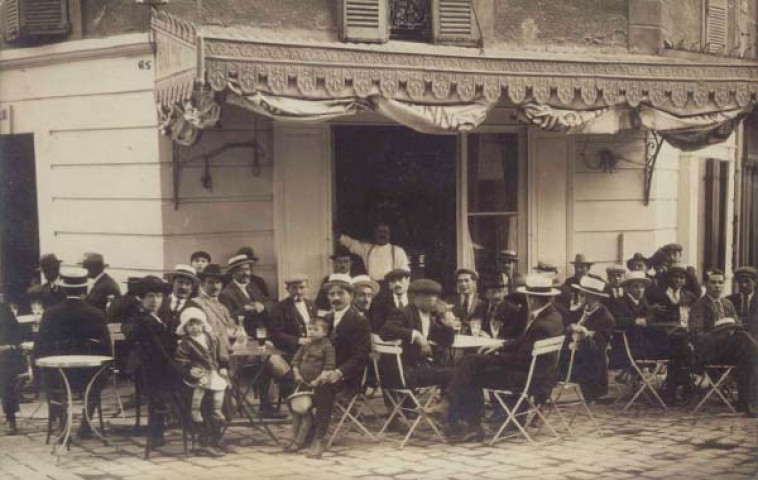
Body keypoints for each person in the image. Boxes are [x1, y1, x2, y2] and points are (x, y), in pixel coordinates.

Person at [426, 275, 565, 442]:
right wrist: (502, 345)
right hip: (540, 374)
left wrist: (496, 357)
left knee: (471, 371)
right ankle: (450, 408)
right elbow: (526, 341)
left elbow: (521, 359)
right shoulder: (554, 317)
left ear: (532, 299)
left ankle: (468, 423)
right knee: (471, 362)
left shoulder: (542, 324)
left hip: (528, 378)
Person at [34, 268, 112, 437]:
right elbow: (107, 349)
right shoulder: (96, 314)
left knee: (50, 380)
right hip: (89, 376)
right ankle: (86, 423)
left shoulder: (50, 314)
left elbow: (39, 348)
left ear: (63, 289)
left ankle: (62, 422)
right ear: (84, 290)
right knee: (97, 380)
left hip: (58, 375)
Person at [307, 273, 370, 459]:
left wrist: (339, 372)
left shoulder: (359, 321)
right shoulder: (326, 318)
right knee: (294, 380)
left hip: (349, 376)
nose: (335, 298)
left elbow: (361, 357)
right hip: (325, 370)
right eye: (331, 294)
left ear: (350, 295)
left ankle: (319, 437)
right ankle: (303, 431)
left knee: (325, 385)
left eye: (340, 293)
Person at [124, 276, 188, 449]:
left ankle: (160, 432)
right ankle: (197, 427)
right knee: (201, 380)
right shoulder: (144, 321)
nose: (156, 300)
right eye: (151, 296)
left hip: (156, 369)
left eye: (159, 296)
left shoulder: (152, 317)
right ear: (141, 298)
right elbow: (161, 351)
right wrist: (182, 369)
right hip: (155, 373)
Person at [689, 269, 758, 417]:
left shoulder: (728, 304)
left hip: (728, 350)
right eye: (713, 282)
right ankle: (748, 403)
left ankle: (745, 403)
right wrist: (718, 334)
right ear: (705, 284)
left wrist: (731, 330)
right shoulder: (699, 306)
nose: (717, 286)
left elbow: (737, 325)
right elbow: (696, 336)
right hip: (709, 352)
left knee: (748, 356)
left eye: (720, 282)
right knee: (747, 343)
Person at [380, 279, 456, 389]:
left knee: (457, 370)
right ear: (415, 297)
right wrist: (415, 335)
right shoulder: (403, 312)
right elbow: (385, 331)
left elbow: (446, 342)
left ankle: (445, 401)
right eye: (428, 295)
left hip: (420, 367)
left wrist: (448, 326)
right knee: (456, 374)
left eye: (435, 295)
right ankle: (447, 402)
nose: (434, 299)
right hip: (403, 373)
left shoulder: (428, 316)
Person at [285, 318, 336, 453]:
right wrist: (296, 374)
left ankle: (299, 441)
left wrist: (317, 380)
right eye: (310, 329)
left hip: (314, 386)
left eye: (315, 329)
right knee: (296, 413)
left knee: (305, 413)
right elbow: (295, 362)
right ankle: (293, 437)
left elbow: (328, 368)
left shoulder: (327, 347)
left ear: (325, 332)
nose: (311, 332)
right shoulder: (306, 345)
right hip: (301, 384)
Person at [564, 276, 615, 402]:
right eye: (582, 295)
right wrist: (570, 328)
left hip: (589, 359)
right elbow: (566, 326)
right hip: (572, 351)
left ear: (596, 298)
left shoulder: (605, 318)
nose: (583, 299)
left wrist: (585, 335)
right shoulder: (580, 310)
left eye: (586, 296)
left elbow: (598, 349)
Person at [175, 307, 229, 426]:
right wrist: (189, 368)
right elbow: (181, 359)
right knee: (199, 390)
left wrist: (223, 365)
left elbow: (222, 352)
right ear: (185, 328)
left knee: (220, 388)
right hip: (199, 370)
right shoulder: (185, 343)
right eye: (190, 325)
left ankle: (216, 410)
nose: (194, 327)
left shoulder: (212, 338)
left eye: (197, 324)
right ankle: (195, 411)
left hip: (214, 370)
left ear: (203, 324)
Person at [194, 264, 241, 355]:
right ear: (203, 284)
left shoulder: (222, 306)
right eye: (210, 282)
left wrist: (239, 331)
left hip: (231, 349)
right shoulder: (197, 303)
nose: (215, 287)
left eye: (217, 283)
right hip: (213, 353)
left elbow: (233, 327)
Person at [338, 223, 410, 282]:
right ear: (375, 234)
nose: (382, 235)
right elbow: (352, 244)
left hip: (391, 286)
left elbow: (405, 272)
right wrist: (340, 236)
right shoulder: (368, 249)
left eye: (385, 232)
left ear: (389, 235)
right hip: (373, 286)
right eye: (379, 232)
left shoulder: (398, 251)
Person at [220, 254, 271, 334]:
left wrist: (263, 306)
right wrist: (244, 309)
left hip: (263, 331)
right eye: (240, 270)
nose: (246, 273)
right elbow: (228, 318)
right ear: (233, 273)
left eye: (247, 269)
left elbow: (269, 302)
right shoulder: (226, 293)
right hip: (244, 335)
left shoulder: (253, 287)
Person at [270, 274, 317, 361]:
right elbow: (275, 333)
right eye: (294, 288)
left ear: (307, 288)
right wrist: (298, 340)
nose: (298, 291)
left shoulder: (311, 304)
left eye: (302, 287)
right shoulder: (280, 307)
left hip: (313, 348)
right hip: (292, 350)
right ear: (288, 290)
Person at [0, 297, 23, 434]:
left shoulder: (3, 308)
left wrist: (10, 346)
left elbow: (17, 333)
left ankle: (10, 418)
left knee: (5, 376)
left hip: (3, 354)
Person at [314, 246, 360, 313]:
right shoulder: (328, 280)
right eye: (339, 262)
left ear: (351, 263)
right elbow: (319, 303)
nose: (343, 265)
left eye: (346, 261)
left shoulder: (356, 279)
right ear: (335, 263)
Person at [479, 275, 524, 340]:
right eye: (493, 292)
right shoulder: (481, 308)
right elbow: (475, 325)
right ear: (486, 294)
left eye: (500, 291)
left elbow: (511, 335)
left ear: (504, 292)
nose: (497, 296)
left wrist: (490, 338)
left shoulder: (513, 311)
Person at [159, 265, 201, 331]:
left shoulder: (195, 308)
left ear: (191, 288)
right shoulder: (160, 301)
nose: (183, 287)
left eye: (187, 284)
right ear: (173, 283)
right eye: (180, 282)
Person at [369, 268, 411, 333]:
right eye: (393, 281)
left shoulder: (414, 300)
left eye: (400, 280)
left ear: (408, 281)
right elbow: (377, 327)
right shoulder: (381, 302)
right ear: (389, 285)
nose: (397, 284)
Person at [448, 268, 485, 333]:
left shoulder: (482, 301)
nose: (463, 284)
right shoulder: (451, 300)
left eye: (466, 280)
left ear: (473, 282)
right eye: (460, 281)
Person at [727, 266, 758, 337]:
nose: (743, 285)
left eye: (747, 281)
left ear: (755, 282)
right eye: (740, 282)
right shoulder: (729, 300)